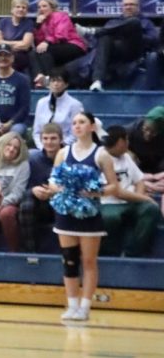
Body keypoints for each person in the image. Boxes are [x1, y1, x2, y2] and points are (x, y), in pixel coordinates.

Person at [49, 111, 117, 322]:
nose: (77, 126)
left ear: (91, 127)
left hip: (90, 215)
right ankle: (72, 305)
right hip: (66, 214)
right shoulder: (63, 152)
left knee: (88, 261)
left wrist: (95, 192)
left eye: (82, 122)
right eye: (75, 123)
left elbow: (114, 186)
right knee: (69, 260)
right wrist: (60, 189)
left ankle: (85, 307)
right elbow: (52, 181)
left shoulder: (101, 154)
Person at [100, 126, 161, 257]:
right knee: (111, 217)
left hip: (132, 201)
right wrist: (144, 198)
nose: (129, 142)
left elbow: (139, 180)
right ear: (120, 141)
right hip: (108, 203)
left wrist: (139, 196)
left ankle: (132, 252)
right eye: (127, 139)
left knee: (151, 209)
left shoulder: (126, 157)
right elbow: (116, 192)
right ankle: (108, 255)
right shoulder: (100, 158)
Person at [89, 0, 159, 91]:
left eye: (132, 4)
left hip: (135, 51)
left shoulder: (146, 22)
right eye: (125, 5)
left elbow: (154, 40)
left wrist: (134, 35)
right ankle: (97, 81)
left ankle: (93, 31)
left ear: (138, 7)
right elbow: (97, 43)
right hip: (115, 52)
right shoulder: (112, 22)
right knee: (104, 37)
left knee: (134, 22)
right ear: (122, 7)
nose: (128, 7)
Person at [19, 122, 64, 252]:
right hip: (39, 203)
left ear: (61, 139)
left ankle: (64, 251)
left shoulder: (68, 158)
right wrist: (33, 190)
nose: (49, 142)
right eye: (45, 138)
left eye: (53, 138)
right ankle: (30, 251)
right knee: (27, 202)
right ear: (40, 140)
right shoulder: (32, 159)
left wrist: (55, 192)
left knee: (63, 203)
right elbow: (22, 187)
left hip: (61, 201)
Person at [30, 0, 87, 87]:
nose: (41, 9)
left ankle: (51, 80)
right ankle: (40, 78)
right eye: (39, 7)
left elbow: (61, 35)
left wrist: (47, 42)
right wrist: (38, 26)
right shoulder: (43, 21)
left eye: (44, 6)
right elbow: (39, 43)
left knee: (46, 51)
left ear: (52, 7)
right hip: (55, 45)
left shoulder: (60, 15)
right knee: (34, 53)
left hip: (73, 45)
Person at [0, 44, 31, 136]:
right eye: (0, 55)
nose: (3, 58)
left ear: (12, 58)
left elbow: (24, 108)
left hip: (15, 124)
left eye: (6, 55)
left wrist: (9, 123)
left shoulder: (22, 80)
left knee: (16, 131)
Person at [32, 69, 83, 147]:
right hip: (44, 147)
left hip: (65, 147)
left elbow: (75, 133)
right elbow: (36, 132)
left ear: (66, 84)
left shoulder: (75, 104)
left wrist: (61, 146)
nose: (55, 84)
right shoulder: (41, 103)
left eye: (59, 81)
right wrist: (42, 147)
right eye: (53, 81)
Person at [128, 106, 164, 213]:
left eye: (153, 132)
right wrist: (128, 153)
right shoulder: (132, 129)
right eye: (146, 129)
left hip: (159, 167)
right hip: (139, 165)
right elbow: (110, 141)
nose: (148, 134)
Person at [0, 0, 35, 74]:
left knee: (12, 58)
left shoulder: (29, 23)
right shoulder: (3, 21)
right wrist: (16, 44)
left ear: (26, 11)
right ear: (12, 10)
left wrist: (4, 43)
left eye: (24, 7)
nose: (21, 9)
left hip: (21, 55)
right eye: (18, 7)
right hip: (3, 52)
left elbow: (25, 45)